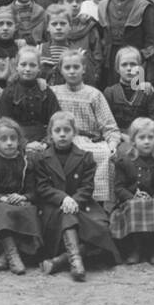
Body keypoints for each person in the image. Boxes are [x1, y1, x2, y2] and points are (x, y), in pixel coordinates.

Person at [33, 111, 120, 281]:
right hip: (54, 206)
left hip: (82, 203)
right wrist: (63, 198)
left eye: (67, 130)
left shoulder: (86, 157)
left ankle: (59, 261)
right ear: (50, 134)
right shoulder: (42, 158)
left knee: (103, 231)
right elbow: (42, 187)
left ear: (74, 132)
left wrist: (74, 200)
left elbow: (87, 187)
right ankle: (75, 261)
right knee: (67, 216)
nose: (63, 134)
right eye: (57, 131)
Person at [51, 50, 122, 205]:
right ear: (60, 70)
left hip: (90, 141)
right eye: (67, 67)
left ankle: (97, 204)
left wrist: (112, 144)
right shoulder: (54, 92)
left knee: (103, 155)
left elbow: (110, 126)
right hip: (63, 138)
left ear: (83, 69)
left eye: (76, 67)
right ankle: (65, 200)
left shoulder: (94, 94)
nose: (71, 71)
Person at [108, 118, 154, 265]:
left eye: (150, 137)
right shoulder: (125, 162)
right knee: (134, 207)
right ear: (133, 140)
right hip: (131, 202)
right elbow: (119, 187)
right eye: (142, 137)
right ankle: (136, 248)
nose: (146, 141)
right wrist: (133, 197)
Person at [0, 117, 42, 274]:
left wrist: (23, 197)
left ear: (19, 140)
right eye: (4, 139)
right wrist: (2, 198)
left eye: (13, 138)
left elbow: (33, 191)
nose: (9, 143)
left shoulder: (25, 161)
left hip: (17, 202)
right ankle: (12, 254)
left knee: (30, 209)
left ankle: (5, 256)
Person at [95, 0, 154, 85]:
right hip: (110, 58)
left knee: (135, 90)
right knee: (111, 90)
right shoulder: (103, 5)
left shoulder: (143, 5)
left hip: (134, 57)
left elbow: (150, 39)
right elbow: (101, 35)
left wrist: (141, 59)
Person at [0, 46, 59, 149]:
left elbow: (56, 119)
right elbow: (4, 124)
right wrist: (25, 144)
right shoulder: (9, 93)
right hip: (16, 142)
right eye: (23, 64)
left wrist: (47, 142)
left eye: (32, 65)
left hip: (44, 140)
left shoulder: (45, 91)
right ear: (17, 66)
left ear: (39, 68)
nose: (28, 69)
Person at [103, 46, 154, 137]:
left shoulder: (147, 91)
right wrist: (120, 136)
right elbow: (104, 122)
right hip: (117, 137)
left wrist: (144, 135)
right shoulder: (110, 93)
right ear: (117, 68)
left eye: (133, 64)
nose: (129, 68)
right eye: (124, 65)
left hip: (143, 137)